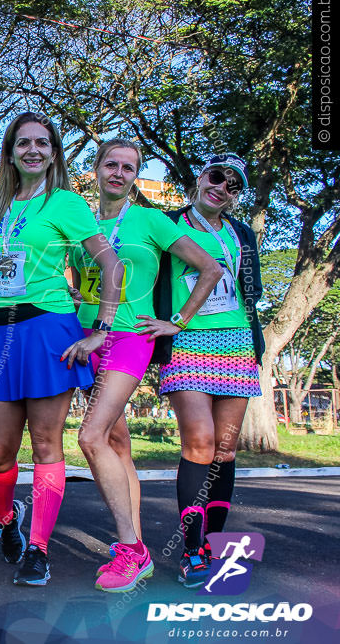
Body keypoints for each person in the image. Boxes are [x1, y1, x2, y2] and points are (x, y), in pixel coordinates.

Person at [70, 138, 221, 592]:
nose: (118, 173)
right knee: (116, 441)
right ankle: (134, 544)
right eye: (111, 164)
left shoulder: (150, 219)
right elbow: (84, 277)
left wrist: (178, 321)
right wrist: (79, 297)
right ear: (96, 169)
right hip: (87, 335)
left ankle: (131, 550)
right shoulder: (82, 221)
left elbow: (210, 269)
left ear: (136, 176)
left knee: (90, 435)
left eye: (129, 167)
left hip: (129, 338)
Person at [0, 112, 123, 586]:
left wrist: (101, 328)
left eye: (43, 143)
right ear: (11, 152)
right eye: (24, 143)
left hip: (48, 334)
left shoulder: (66, 203)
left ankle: (39, 549)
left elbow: (111, 267)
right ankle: (7, 524)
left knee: (45, 445)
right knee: (0, 452)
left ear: (54, 152)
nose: (33, 151)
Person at [149, 153, 264, 589]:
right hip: (188, 341)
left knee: (226, 450)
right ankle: (192, 547)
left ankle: (216, 541)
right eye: (217, 177)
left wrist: (255, 336)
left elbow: (248, 292)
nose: (222, 188)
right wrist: (168, 321)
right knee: (199, 442)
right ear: (201, 177)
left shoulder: (241, 233)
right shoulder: (169, 223)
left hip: (237, 343)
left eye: (234, 185)